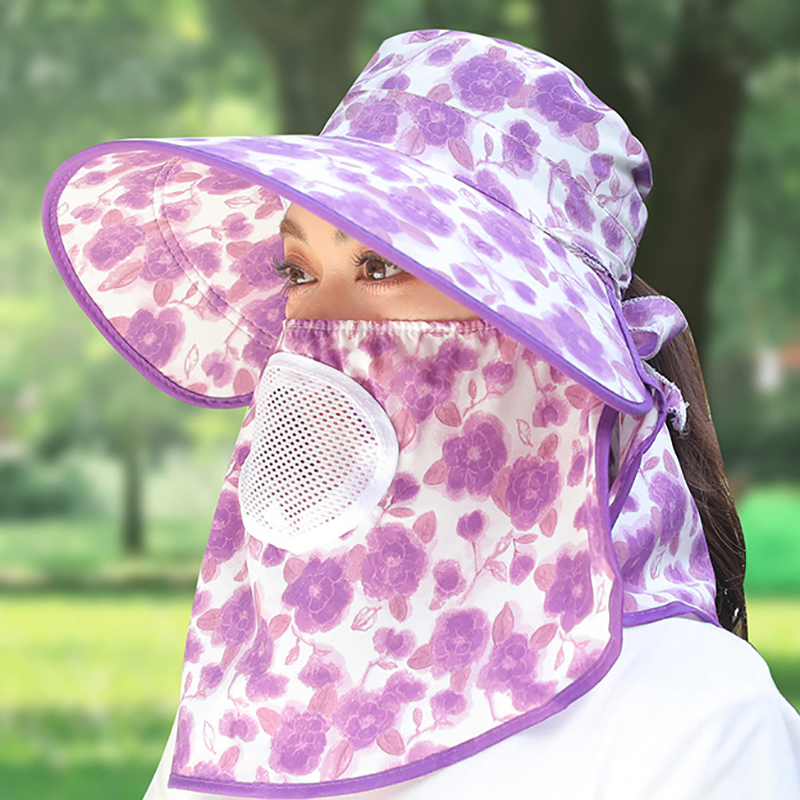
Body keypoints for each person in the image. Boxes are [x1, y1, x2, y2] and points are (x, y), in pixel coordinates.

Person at [41, 28, 800, 800]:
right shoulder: (258, 701)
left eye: (381, 266)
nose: (316, 332)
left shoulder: (695, 722)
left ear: (545, 349)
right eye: (296, 271)